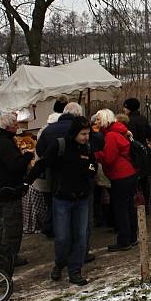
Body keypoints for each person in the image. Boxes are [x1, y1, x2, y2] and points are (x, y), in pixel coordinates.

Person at [26, 116, 96, 286]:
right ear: (74, 133)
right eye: (83, 134)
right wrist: (27, 180)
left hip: (81, 198)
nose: (86, 137)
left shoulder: (87, 147)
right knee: (63, 237)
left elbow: (94, 165)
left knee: (80, 237)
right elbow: (42, 164)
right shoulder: (60, 145)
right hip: (62, 199)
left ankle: (75, 270)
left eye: (88, 134)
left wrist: (89, 172)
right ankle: (59, 264)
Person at [0, 112, 34, 266]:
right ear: (7, 126)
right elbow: (14, 166)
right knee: (12, 225)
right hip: (7, 190)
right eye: (15, 124)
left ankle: (3, 254)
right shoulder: (4, 143)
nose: (17, 127)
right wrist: (27, 157)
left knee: (4, 225)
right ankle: (10, 257)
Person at [34, 102, 85, 237]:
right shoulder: (79, 129)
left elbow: (39, 151)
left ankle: (54, 230)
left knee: (55, 203)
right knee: (76, 208)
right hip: (77, 174)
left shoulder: (48, 130)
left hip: (54, 173)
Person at [95, 108, 139, 251]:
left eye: (98, 119)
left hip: (121, 175)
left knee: (121, 209)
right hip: (129, 172)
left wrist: (97, 154)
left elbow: (108, 158)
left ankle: (124, 240)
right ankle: (132, 237)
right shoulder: (120, 131)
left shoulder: (111, 136)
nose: (96, 122)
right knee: (129, 207)